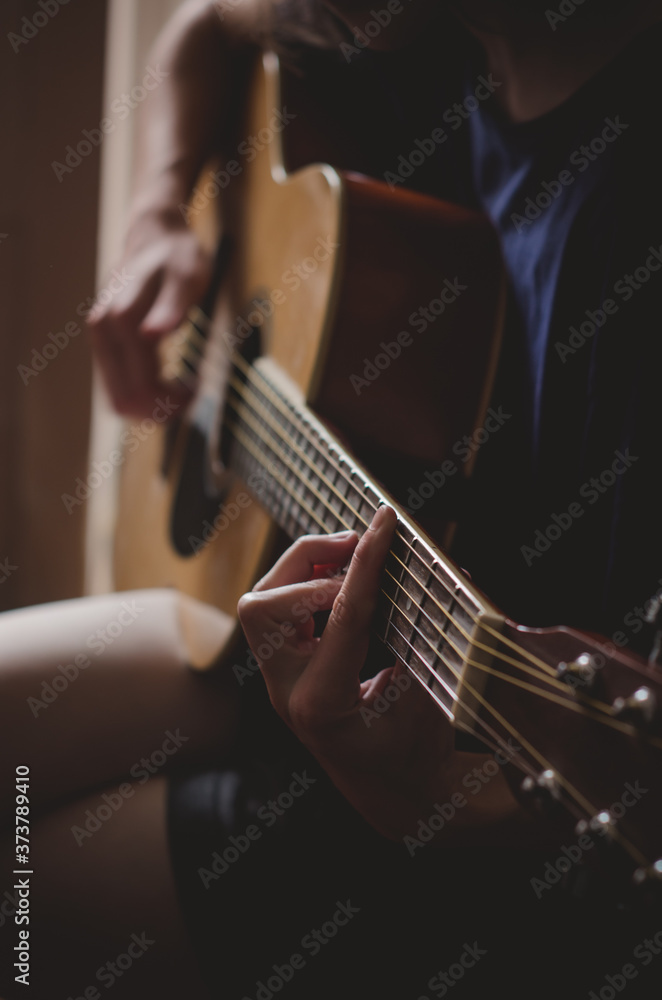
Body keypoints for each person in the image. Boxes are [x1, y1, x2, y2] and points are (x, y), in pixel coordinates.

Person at [3, 1, 662, 997]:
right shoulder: (416, 32)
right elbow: (205, 26)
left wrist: (433, 801)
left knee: (21, 892)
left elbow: (600, 801)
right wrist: (153, 221)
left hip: (464, 803)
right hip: (313, 622)